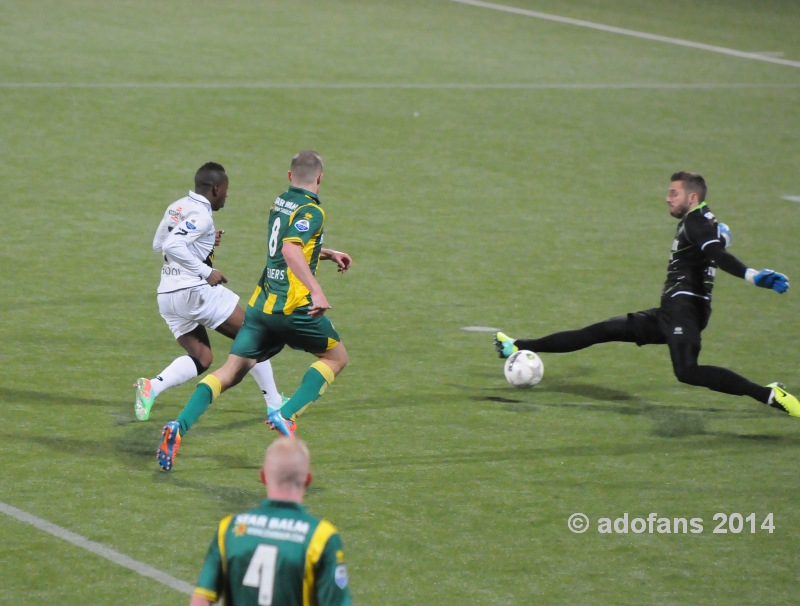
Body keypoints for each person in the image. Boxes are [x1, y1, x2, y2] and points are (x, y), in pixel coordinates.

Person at [495, 171, 800, 416]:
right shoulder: (704, 221)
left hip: (685, 310)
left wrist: (753, 276)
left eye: (674, 193)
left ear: (692, 197)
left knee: (687, 371)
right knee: (600, 331)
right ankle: (516, 345)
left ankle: (770, 395)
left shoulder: (696, 223)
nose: (668, 198)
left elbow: (717, 253)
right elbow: (716, 241)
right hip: (670, 311)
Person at [158, 151, 351, 471]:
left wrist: (326, 253)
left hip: (261, 306)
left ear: (290, 177)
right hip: (294, 308)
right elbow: (291, 249)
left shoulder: (281, 202)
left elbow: (286, 247)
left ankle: (177, 427)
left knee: (230, 372)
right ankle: (285, 414)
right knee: (335, 357)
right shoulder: (312, 211)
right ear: (320, 178)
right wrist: (316, 291)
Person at [134, 162, 283, 422]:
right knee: (253, 336)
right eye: (225, 190)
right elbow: (172, 243)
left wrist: (202, 240)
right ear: (216, 188)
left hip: (168, 297)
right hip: (194, 292)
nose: (226, 195)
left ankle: (152, 386)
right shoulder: (202, 217)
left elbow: (159, 244)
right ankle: (275, 405)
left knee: (201, 358)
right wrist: (206, 272)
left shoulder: (177, 206)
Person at [190, 438, 351, 606]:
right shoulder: (321, 537)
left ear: (263, 477)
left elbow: (200, 600)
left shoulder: (230, 528)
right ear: (308, 479)